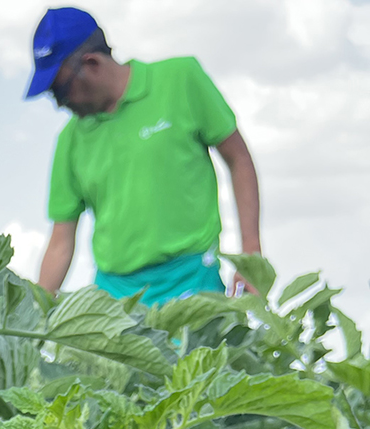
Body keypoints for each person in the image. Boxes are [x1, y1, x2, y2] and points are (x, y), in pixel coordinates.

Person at [27, 7, 261, 305]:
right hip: (114, 297)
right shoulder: (69, 140)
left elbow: (238, 159)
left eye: (60, 91)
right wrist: (35, 312)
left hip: (191, 281)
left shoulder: (181, 80)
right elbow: (61, 241)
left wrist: (251, 253)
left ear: (92, 63)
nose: (60, 105)